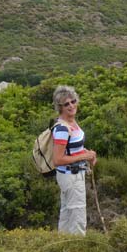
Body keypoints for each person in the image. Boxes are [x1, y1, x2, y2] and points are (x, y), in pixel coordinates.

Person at [51, 86, 97, 235]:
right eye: (66, 104)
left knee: (67, 214)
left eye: (73, 101)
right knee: (77, 215)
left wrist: (87, 153)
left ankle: (62, 243)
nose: (71, 105)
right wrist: (84, 157)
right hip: (70, 176)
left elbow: (74, 147)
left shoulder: (72, 122)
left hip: (73, 174)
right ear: (60, 107)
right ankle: (77, 246)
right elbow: (58, 159)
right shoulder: (63, 129)